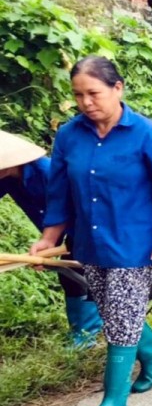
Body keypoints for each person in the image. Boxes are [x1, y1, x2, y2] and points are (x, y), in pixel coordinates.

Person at [30, 56, 152, 406]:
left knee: (121, 313)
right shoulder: (69, 135)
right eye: (78, 95)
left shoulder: (149, 134)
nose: (86, 102)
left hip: (136, 241)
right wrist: (49, 237)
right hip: (89, 241)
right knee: (113, 309)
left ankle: (113, 399)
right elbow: (59, 192)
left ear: (118, 88)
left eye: (94, 93)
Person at [0, 130, 103, 348]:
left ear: (9, 162)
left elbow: (76, 207)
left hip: (85, 225)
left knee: (86, 274)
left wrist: (51, 244)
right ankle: (80, 331)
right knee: (69, 278)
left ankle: (88, 334)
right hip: (55, 232)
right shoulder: (7, 178)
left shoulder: (47, 172)